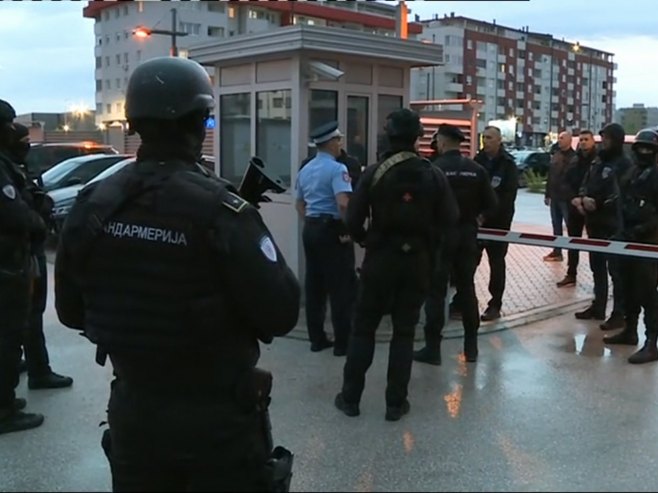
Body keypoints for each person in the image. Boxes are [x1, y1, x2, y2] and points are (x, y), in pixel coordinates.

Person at [54, 57, 300, 491]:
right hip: (217, 424)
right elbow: (281, 312)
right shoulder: (222, 211)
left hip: (135, 414)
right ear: (199, 121)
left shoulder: (94, 203)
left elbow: (71, 311)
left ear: (134, 123)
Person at [335, 109, 458, 421]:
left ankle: (350, 399)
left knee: (363, 329)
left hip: (380, 260)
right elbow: (450, 219)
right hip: (417, 262)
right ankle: (395, 403)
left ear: (387, 135)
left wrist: (366, 240)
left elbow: (353, 220)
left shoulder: (375, 172)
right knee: (404, 333)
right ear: (418, 136)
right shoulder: (433, 174)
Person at [414, 124, 497, 366]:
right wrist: (477, 219)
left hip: (440, 238)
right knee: (467, 289)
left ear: (441, 142)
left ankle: (433, 349)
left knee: (436, 293)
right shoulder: (476, 170)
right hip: (466, 237)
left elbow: (422, 206)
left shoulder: (433, 169)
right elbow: (492, 204)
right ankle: (471, 348)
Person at [6, 123, 74, 390]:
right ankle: (37, 371)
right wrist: (39, 218)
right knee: (29, 313)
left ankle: (24, 365)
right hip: (19, 254)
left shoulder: (14, 168)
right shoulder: (6, 170)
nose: (26, 146)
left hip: (23, 252)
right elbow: (18, 214)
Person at [0, 99, 45, 435]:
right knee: (7, 335)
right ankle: (3, 409)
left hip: (11, 262)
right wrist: (37, 220)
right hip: (7, 266)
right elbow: (15, 214)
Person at [295, 121, 356, 356]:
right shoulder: (338, 169)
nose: (340, 144)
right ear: (331, 143)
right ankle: (342, 343)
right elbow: (343, 203)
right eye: (338, 140)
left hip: (311, 229)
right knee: (341, 287)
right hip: (332, 230)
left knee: (315, 286)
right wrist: (348, 228)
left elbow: (299, 204)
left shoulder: (306, 169)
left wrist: (312, 221)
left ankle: (317, 339)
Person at [602, 128, 658, 364]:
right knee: (628, 289)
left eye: (648, 148)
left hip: (649, 242)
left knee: (648, 293)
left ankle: (651, 342)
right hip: (627, 238)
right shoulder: (633, 172)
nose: (643, 152)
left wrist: (642, 229)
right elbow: (623, 200)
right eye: (640, 148)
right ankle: (630, 330)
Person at [452, 126, 518, 322]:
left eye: (489, 138)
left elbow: (507, 197)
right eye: (484, 137)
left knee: (496, 263)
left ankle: (495, 304)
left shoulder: (508, 164)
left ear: (499, 140)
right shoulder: (477, 161)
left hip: (498, 222)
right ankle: (461, 300)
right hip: (477, 222)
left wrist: (487, 214)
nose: (485, 141)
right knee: (469, 262)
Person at [572, 123, 630, 328]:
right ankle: (598, 306)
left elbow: (621, 194)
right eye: (603, 137)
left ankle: (619, 313)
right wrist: (581, 198)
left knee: (616, 271)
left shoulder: (624, 164)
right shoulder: (598, 160)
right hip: (594, 222)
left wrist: (598, 203)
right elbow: (586, 182)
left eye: (607, 137)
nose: (603, 141)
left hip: (612, 224)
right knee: (596, 266)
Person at [557, 130, 597, 288]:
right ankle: (571, 273)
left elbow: (600, 184)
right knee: (573, 241)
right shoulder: (575, 160)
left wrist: (585, 200)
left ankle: (598, 279)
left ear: (593, 141)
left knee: (595, 245)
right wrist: (574, 198)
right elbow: (566, 181)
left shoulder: (598, 160)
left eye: (586, 139)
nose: (583, 142)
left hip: (592, 208)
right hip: (574, 206)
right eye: (581, 140)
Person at [543, 131, 576, 262]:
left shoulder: (574, 157)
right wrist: (547, 194)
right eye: (559, 138)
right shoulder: (556, 155)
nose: (559, 140)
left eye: (562, 138)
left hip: (567, 199)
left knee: (570, 227)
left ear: (569, 140)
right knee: (556, 225)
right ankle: (557, 251)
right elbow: (550, 176)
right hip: (555, 197)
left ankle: (572, 254)